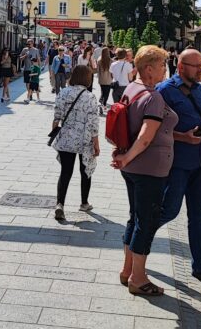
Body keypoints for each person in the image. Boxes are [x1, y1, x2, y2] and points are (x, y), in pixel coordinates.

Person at [111, 46, 178, 297]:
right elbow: (146, 136)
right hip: (149, 168)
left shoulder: (131, 89)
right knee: (146, 222)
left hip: (133, 167)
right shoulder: (153, 97)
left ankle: (127, 270)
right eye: (162, 65)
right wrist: (126, 157)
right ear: (148, 69)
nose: (165, 70)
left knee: (135, 218)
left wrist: (124, 157)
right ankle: (138, 278)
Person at [157, 48, 201, 286]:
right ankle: (137, 240)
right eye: (196, 66)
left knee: (198, 217)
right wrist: (183, 137)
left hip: (199, 162)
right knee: (168, 211)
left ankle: (200, 266)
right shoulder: (165, 91)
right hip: (177, 163)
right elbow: (155, 128)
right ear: (181, 67)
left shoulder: (199, 90)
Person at [51, 65, 100, 222]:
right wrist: (96, 143)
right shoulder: (90, 97)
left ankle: (60, 204)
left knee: (65, 172)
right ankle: (84, 203)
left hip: (66, 138)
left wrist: (54, 132)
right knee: (85, 170)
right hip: (84, 139)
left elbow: (57, 116)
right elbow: (93, 123)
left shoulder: (63, 93)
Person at [19, 38, 40, 102]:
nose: (28, 45)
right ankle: (30, 94)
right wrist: (25, 55)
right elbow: (20, 58)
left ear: (32, 43)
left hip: (33, 69)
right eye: (27, 44)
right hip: (26, 68)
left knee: (32, 82)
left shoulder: (36, 50)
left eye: (29, 44)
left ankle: (30, 95)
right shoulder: (24, 49)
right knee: (27, 82)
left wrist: (39, 67)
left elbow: (38, 59)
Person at [96, 46, 114, 114]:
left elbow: (98, 71)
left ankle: (101, 103)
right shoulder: (111, 61)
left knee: (102, 91)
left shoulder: (99, 60)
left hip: (101, 79)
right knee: (107, 93)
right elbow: (112, 71)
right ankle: (103, 103)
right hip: (109, 79)